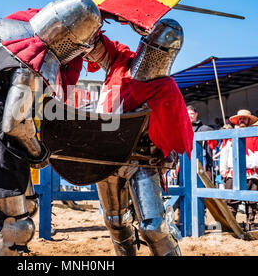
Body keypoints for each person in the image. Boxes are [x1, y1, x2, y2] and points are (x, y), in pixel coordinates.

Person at [0, 0, 103, 256]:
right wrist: (38, 152)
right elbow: (15, 122)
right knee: (18, 225)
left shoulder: (18, 41)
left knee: (26, 203)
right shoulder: (30, 65)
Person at [83, 18, 193, 256]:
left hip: (141, 159)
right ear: (144, 41)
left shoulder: (167, 89)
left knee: (153, 227)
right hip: (107, 157)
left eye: (163, 50)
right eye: (154, 46)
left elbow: (171, 132)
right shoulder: (120, 59)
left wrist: (165, 155)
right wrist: (103, 16)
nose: (156, 54)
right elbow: (89, 43)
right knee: (115, 223)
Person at [220, 109, 258, 231]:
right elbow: (224, 154)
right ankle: (231, 225)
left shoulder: (255, 135)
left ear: (248, 120)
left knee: (252, 201)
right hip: (233, 172)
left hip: (252, 173)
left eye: (244, 118)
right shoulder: (230, 135)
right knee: (231, 200)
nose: (242, 120)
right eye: (240, 118)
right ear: (237, 120)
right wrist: (223, 169)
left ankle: (250, 224)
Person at [187, 105, 217, 180]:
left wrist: (209, 169)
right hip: (185, 164)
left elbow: (208, 150)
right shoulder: (182, 129)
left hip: (200, 164)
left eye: (192, 113)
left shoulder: (205, 129)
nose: (189, 116)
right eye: (187, 114)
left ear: (196, 114)